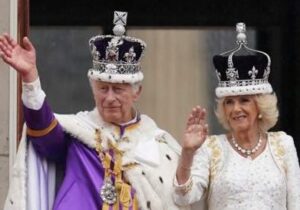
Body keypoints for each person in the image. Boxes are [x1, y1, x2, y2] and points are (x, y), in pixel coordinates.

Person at [0, 11, 191, 210]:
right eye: (102, 88)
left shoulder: (158, 143)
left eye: (117, 89)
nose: (109, 98)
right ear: (93, 90)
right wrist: (30, 77)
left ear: (137, 92)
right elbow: (43, 134)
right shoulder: (78, 133)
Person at [173, 23, 300, 210]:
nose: (236, 108)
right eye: (229, 102)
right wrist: (187, 153)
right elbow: (183, 198)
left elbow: (296, 204)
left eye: (244, 100)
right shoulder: (210, 148)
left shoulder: (283, 144)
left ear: (260, 105)